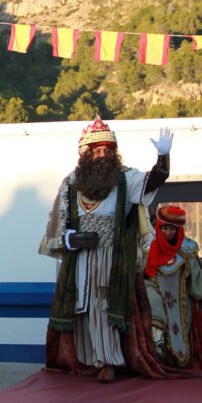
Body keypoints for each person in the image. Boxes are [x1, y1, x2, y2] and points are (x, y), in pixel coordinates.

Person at [39, 116, 176, 382]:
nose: (102, 155)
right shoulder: (71, 182)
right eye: (97, 150)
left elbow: (153, 181)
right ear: (86, 154)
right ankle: (87, 359)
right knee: (81, 307)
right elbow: (58, 223)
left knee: (104, 306)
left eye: (107, 150)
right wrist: (70, 239)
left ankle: (108, 361)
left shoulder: (126, 178)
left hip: (111, 256)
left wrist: (163, 157)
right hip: (79, 257)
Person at [145, 205, 202, 369]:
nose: (168, 233)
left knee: (184, 332)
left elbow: (198, 278)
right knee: (156, 317)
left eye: (172, 229)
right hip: (157, 297)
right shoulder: (146, 249)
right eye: (165, 228)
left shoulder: (188, 249)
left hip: (182, 305)